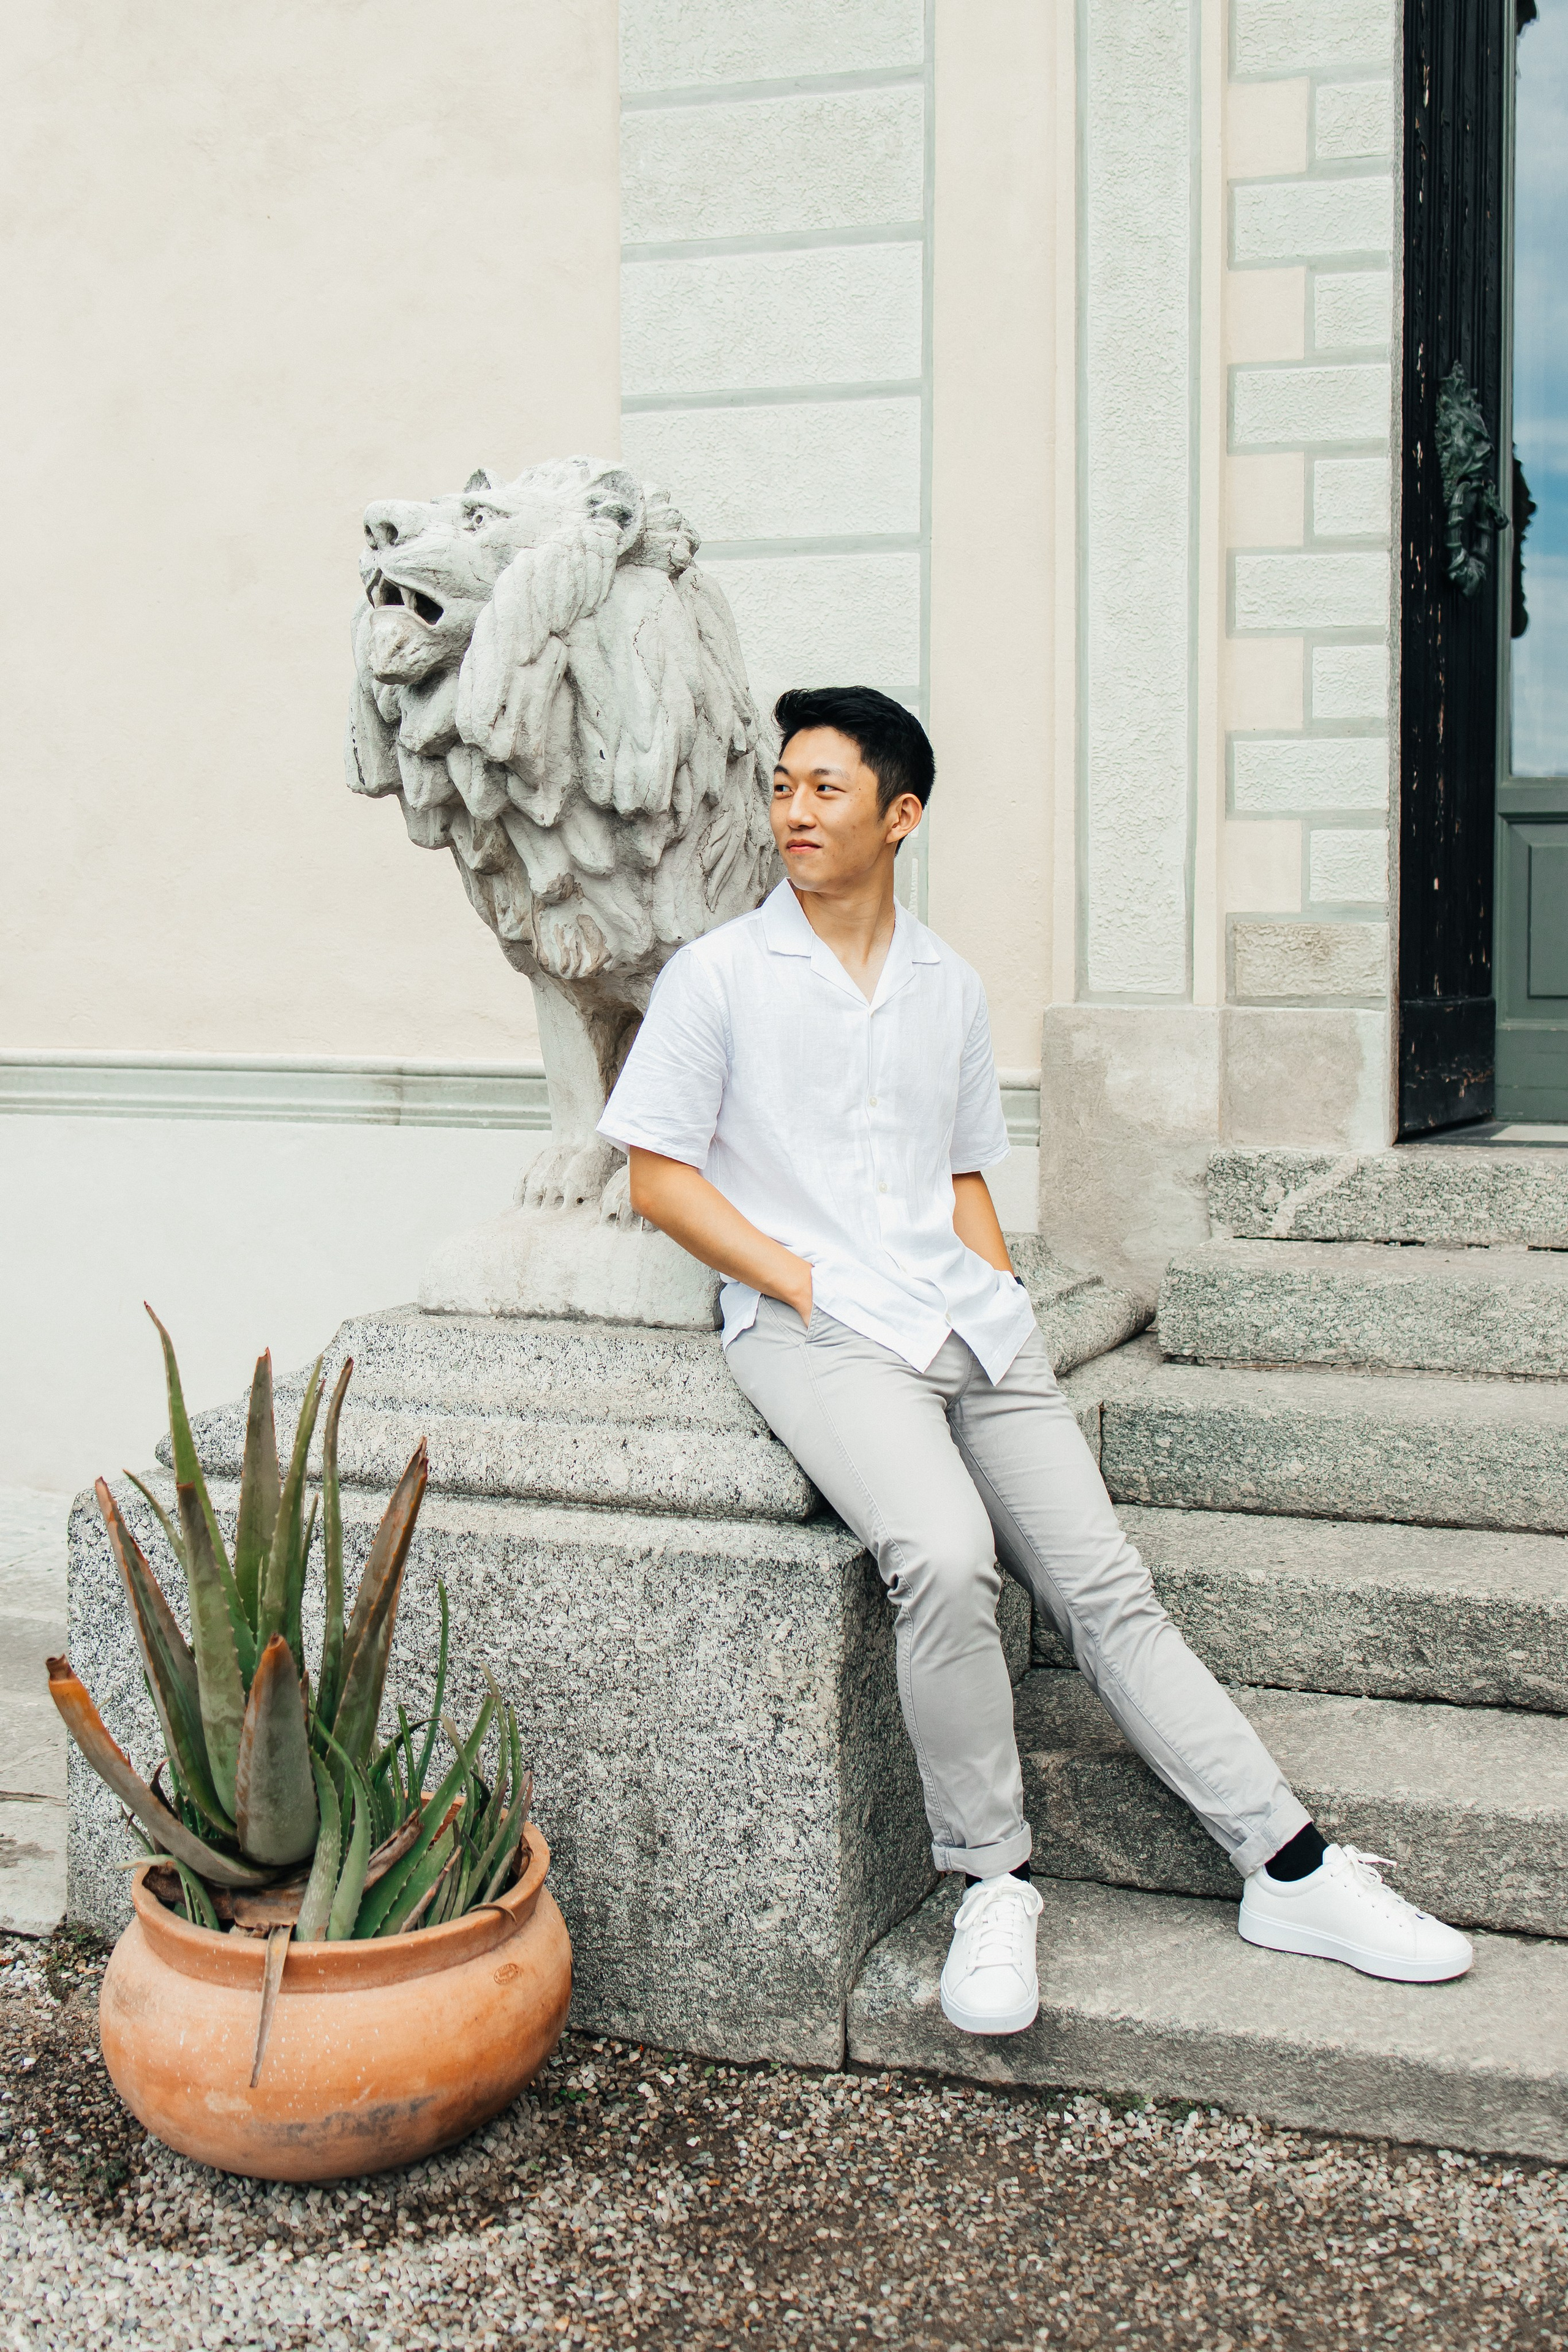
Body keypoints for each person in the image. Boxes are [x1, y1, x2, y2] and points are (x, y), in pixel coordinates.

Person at [597, 685, 1472, 2036]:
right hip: (818, 1329)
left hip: (966, 1321)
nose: (791, 812)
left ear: (901, 816)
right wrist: (802, 1279)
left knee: (1105, 1586)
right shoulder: (719, 976)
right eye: (781, 786)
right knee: (942, 1558)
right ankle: (990, 1881)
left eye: (824, 789)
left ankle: (1287, 1865)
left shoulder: (949, 984)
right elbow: (658, 1176)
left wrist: (998, 1292)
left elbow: (960, 1173)